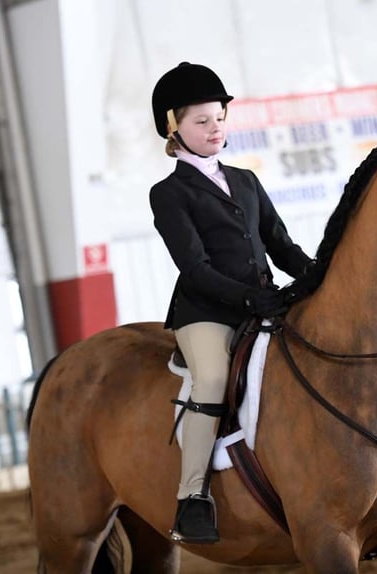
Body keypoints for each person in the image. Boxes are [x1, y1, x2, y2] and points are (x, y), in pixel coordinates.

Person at [149, 62, 315, 544]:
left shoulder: (244, 179)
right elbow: (195, 268)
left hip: (261, 301)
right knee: (215, 377)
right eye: (201, 121)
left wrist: (316, 275)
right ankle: (192, 495)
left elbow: (280, 245)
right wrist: (249, 296)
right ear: (172, 126)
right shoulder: (169, 193)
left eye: (219, 117)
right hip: (207, 312)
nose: (214, 128)